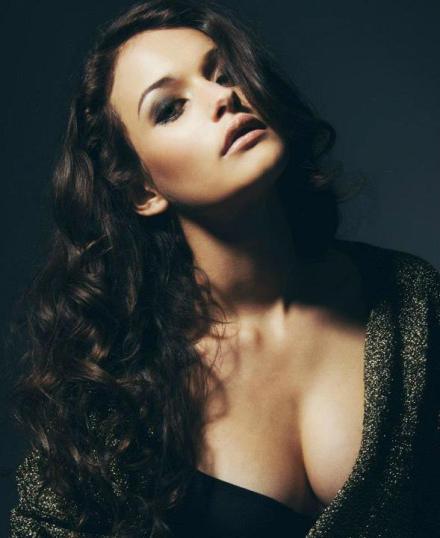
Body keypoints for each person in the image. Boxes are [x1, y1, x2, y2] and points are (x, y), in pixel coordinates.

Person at [7, 0, 439, 536]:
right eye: (171, 108)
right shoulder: (113, 381)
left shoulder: (411, 300)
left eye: (224, 73)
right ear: (143, 189)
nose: (223, 97)